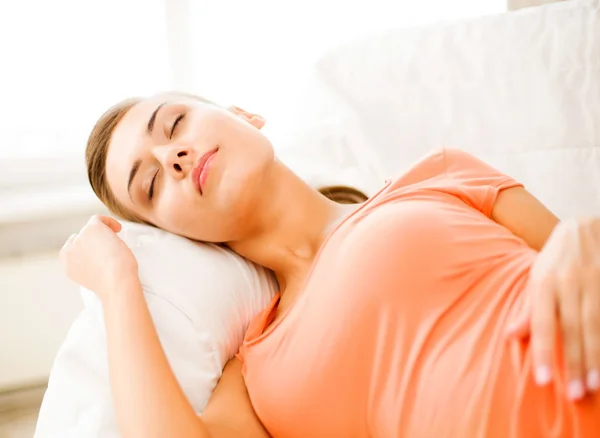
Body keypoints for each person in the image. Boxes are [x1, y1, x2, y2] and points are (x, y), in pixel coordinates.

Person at [61, 92, 600, 437]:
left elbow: (577, 265)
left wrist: (585, 234)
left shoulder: (435, 176)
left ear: (243, 114)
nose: (172, 157)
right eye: (150, 184)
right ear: (176, 235)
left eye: (175, 123)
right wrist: (117, 283)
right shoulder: (255, 372)